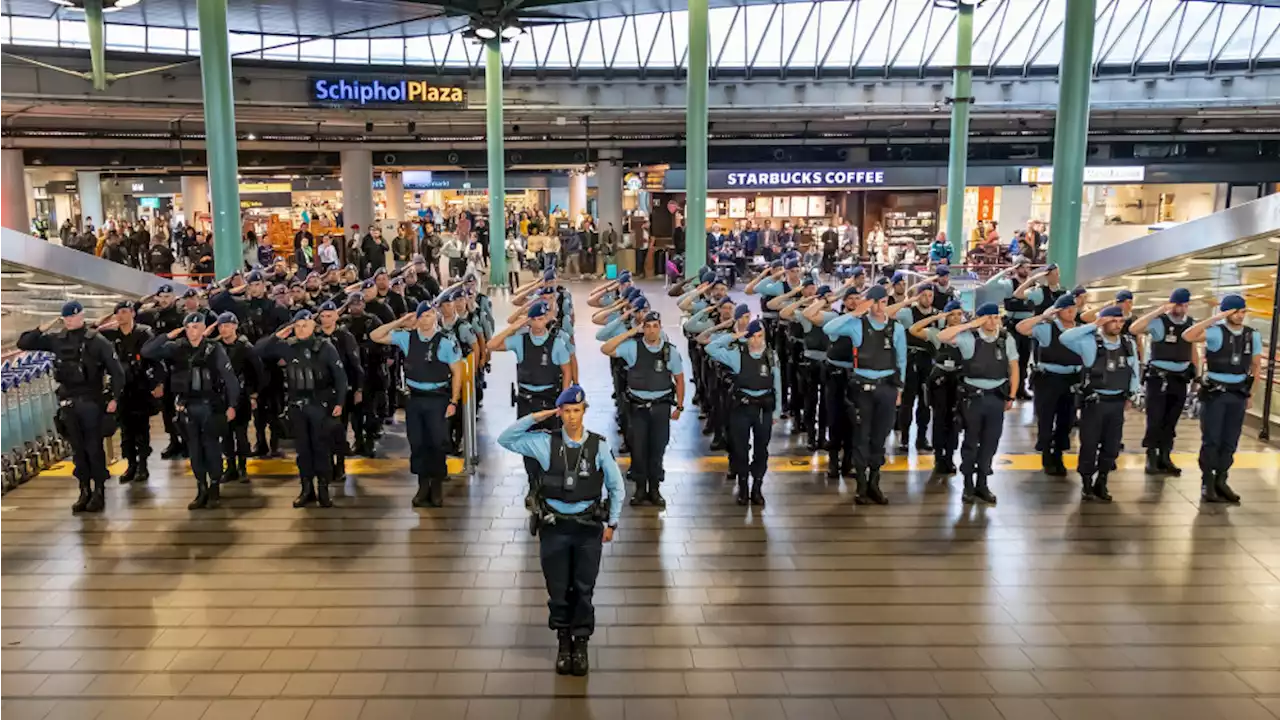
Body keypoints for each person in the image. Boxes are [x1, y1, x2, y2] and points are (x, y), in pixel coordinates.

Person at [498, 386, 622, 676]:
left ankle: (581, 644)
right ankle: (563, 643)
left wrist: (612, 523)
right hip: (554, 527)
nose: (572, 417)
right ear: (560, 412)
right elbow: (506, 439)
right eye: (566, 411)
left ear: (584, 411)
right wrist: (535, 417)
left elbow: (616, 487)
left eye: (576, 410)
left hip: (588, 526)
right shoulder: (545, 443)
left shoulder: (599, 446)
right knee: (557, 589)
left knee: (583, 588)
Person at [18, 301, 125, 513]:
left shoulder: (97, 342)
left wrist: (114, 398)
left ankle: (99, 491)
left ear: (81, 316)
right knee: (78, 450)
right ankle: (84, 490)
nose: (69, 321)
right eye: (66, 318)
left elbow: (117, 373)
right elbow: (24, 343)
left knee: (94, 449)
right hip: (69, 403)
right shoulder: (58, 340)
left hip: (91, 402)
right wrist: (43, 327)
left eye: (72, 317)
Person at [142, 312, 241, 510]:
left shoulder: (215, 349)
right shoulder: (177, 347)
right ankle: (201, 488)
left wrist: (232, 405)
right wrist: (167, 336)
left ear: (204, 329)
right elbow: (147, 351)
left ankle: (214, 487)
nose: (191, 332)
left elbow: (230, 379)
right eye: (188, 328)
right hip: (186, 406)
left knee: (211, 448)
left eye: (196, 327)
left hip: (209, 406)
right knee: (194, 450)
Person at [374, 300, 464, 507]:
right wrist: (400, 321)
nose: (426, 319)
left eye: (430, 315)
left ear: (436, 317)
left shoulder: (446, 341)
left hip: (438, 398)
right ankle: (423, 486)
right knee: (417, 442)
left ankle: (437, 486)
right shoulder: (408, 338)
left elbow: (457, 372)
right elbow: (376, 336)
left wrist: (454, 401)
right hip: (415, 398)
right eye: (422, 316)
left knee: (437, 442)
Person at [823, 285, 906, 505]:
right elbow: (828, 328)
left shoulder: (896, 328)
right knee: (861, 436)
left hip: (886, 387)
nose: (880, 307)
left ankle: (874, 482)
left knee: (880, 437)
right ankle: (860, 484)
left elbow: (902, 361)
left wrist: (900, 390)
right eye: (875, 302)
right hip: (862, 389)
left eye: (883, 302)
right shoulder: (857, 325)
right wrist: (855, 312)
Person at [255, 310, 348, 507]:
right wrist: (278, 336)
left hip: (320, 404)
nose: (301, 329)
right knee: (303, 450)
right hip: (297, 406)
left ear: (314, 326)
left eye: (305, 325)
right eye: (297, 326)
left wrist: (339, 403)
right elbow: (259, 351)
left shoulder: (325, 347)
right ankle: (307, 489)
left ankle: (323, 489)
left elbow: (340, 377)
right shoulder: (289, 347)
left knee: (321, 448)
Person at [488, 300, 574, 505]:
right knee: (527, 442)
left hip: (549, 400)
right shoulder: (521, 341)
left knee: (551, 444)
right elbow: (491, 345)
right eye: (534, 319)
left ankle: (548, 484)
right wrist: (515, 326)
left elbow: (566, 371)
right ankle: (533, 484)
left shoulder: (556, 343)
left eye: (542, 318)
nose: (538, 323)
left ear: (547, 320)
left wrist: (563, 402)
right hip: (527, 400)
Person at [601, 310, 685, 507]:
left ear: (660, 328)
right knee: (638, 450)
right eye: (648, 326)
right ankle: (640, 490)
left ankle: (654, 489)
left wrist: (679, 406)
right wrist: (630, 333)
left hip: (661, 408)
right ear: (643, 328)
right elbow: (606, 348)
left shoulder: (669, 352)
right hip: (638, 408)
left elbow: (679, 380)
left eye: (655, 326)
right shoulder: (633, 348)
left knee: (657, 449)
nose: (652, 330)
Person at [1182, 294, 1260, 505]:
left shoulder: (1251, 336)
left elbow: (1255, 366)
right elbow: (1188, 336)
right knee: (1212, 439)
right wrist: (1217, 317)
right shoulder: (1216, 333)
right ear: (1227, 313)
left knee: (1230, 440)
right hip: (1216, 394)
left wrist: (1251, 394)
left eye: (1243, 311)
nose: (1241, 315)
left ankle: (1221, 480)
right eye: (1236, 311)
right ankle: (1207, 482)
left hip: (1238, 393)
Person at [1058, 306, 1140, 503]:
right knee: (1090, 444)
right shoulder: (1090, 342)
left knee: (1111, 446)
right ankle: (1087, 481)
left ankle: (1102, 480)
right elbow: (1065, 338)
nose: (1118, 325)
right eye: (1113, 321)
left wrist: (1132, 394)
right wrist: (1094, 325)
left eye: (1121, 321)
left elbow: (1134, 368)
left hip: (1117, 401)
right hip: (1095, 402)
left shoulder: (1128, 343)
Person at [937, 303, 1017, 504]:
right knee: (971, 441)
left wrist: (1012, 395)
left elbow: (1014, 367)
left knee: (991, 442)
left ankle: (982, 482)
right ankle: (968, 485)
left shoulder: (1005, 338)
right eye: (987, 317)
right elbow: (942, 336)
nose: (992, 321)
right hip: (973, 397)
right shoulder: (969, 338)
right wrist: (970, 325)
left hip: (996, 396)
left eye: (996, 317)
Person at [706, 318, 782, 506]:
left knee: (761, 450)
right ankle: (743, 487)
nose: (757, 341)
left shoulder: (771, 356)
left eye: (760, 336)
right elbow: (711, 348)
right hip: (742, 408)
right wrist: (734, 335)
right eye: (753, 337)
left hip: (763, 408)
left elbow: (778, 383)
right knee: (740, 450)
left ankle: (757, 487)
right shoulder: (737, 355)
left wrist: (777, 411)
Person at [1128, 288, 1197, 476]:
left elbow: (1192, 349)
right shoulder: (1160, 323)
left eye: (1183, 305)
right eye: (1177, 304)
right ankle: (1151, 456)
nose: (1180, 308)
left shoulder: (1190, 324)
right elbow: (1134, 329)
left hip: (1180, 378)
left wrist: (1195, 373)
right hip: (1158, 379)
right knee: (1155, 418)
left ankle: (1165, 456)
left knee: (1172, 419)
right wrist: (1159, 310)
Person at [1015, 293, 1082, 476]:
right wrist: (1044, 315)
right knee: (1046, 419)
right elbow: (1021, 328)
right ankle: (1046, 454)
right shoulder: (1048, 328)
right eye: (1066, 308)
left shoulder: (1081, 330)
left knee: (1066, 420)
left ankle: (1058, 454)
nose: (1070, 311)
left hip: (1072, 380)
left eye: (1073, 308)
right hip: (1049, 379)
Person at [96, 301, 162, 485]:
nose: (121, 316)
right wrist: (106, 318)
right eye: (117, 313)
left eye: (124, 312)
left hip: (140, 387)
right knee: (125, 431)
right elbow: (92, 329)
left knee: (141, 429)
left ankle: (143, 465)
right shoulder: (112, 335)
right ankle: (131, 464)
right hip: (121, 389)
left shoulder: (144, 333)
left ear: (133, 313)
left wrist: (158, 382)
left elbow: (156, 358)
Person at [908, 300, 966, 478]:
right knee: (940, 419)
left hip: (958, 380)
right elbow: (914, 330)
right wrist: (935, 316)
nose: (956, 318)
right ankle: (939, 456)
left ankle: (950, 456)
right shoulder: (937, 333)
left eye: (959, 314)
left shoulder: (967, 335)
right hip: (940, 381)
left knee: (955, 420)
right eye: (952, 314)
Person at [212, 312, 264, 485]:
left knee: (240, 434)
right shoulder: (216, 347)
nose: (223, 329)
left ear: (234, 326)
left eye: (227, 325)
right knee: (225, 435)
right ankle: (231, 467)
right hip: (222, 396)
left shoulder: (245, 347)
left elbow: (258, 372)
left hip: (242, 396)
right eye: (220, 326)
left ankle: (242, 467)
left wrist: (254, 394)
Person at [895, 284, 937, 452]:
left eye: (930, 295)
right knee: (907, 402)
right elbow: (889, 314)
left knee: (925, 402)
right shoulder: (907, 313)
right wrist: (908, 301)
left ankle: (921, 438)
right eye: (924, 295)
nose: (928, 299)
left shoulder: (937, 315)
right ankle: (904, 438)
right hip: (911, 360)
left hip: (928, 361)